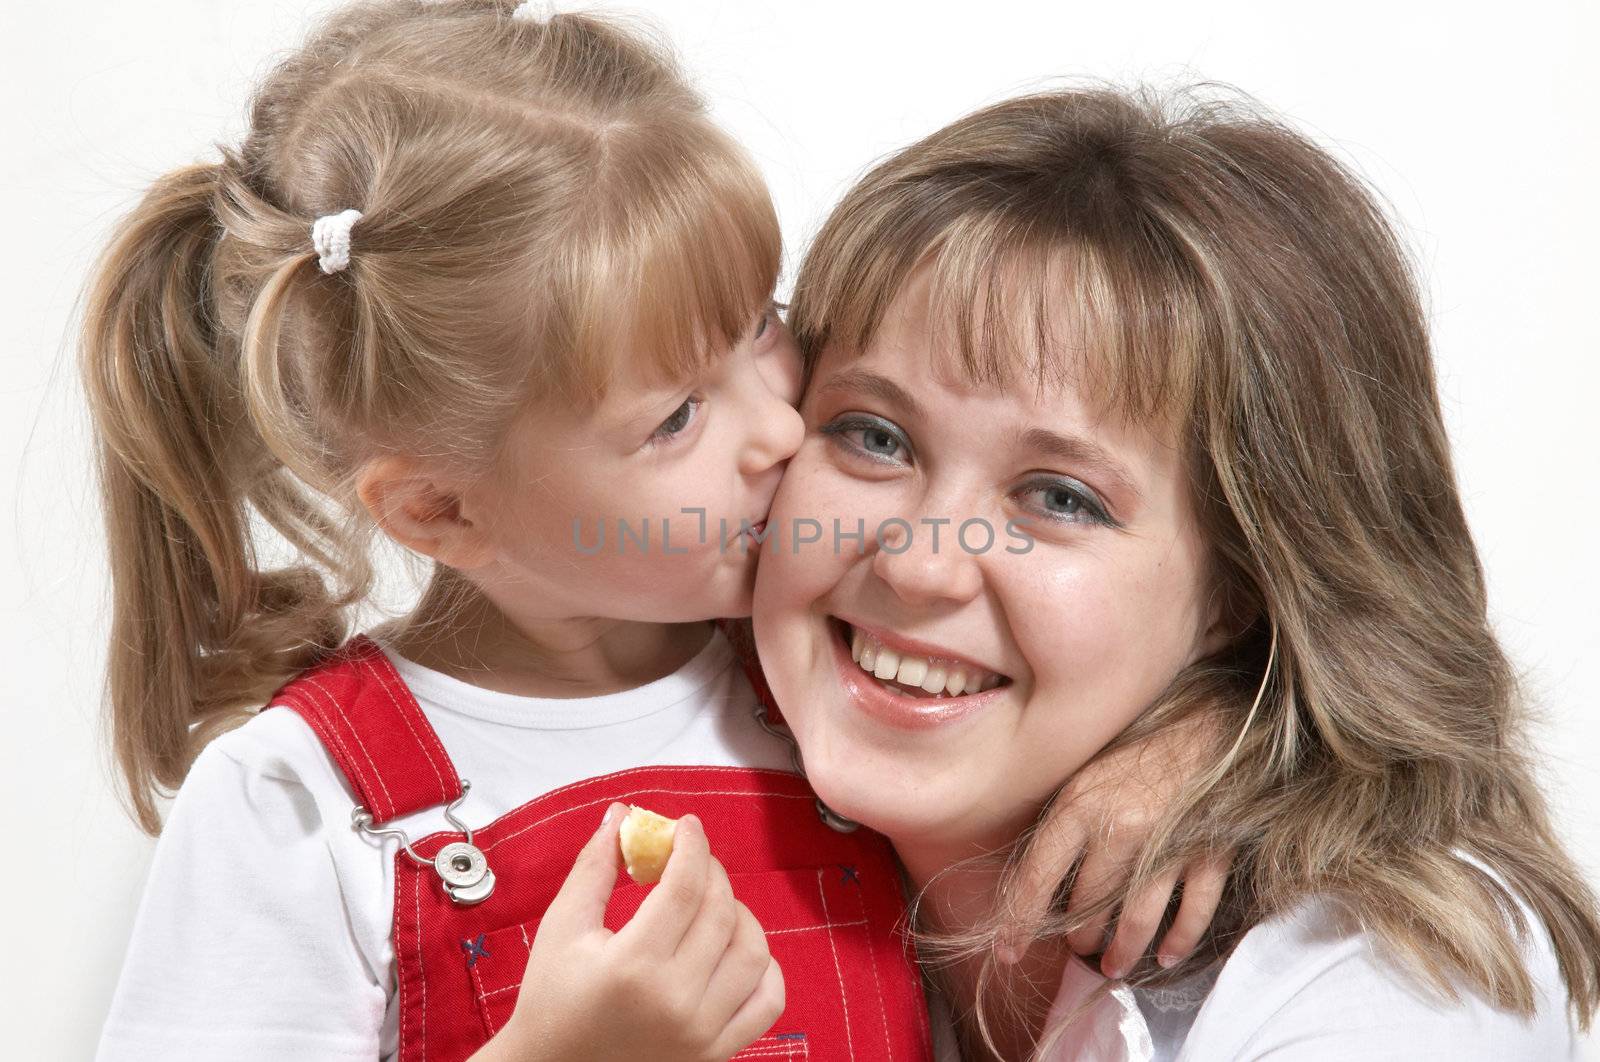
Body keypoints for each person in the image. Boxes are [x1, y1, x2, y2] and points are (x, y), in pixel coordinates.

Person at [81, 3, 1224, 1059]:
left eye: (759, 326)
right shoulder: (305, 802)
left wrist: (1202, 751)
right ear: (441, 508)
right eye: (676, 415)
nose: (783, 427)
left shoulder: (836, 681)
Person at [752, 84, 1600, 1060]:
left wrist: (1252, 747)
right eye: (873, 435)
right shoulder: (681, 712)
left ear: (1242, 587)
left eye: (1059, 498)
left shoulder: (1384, 980)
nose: (916, 563)